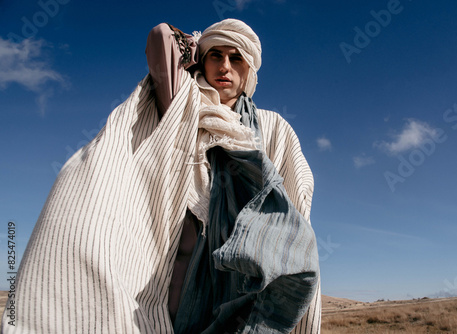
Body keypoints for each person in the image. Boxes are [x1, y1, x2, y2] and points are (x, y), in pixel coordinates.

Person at [2, 19, 321, 333]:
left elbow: (294, 193)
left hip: (244, 266)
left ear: (249, 70)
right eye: (215, 55)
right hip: (174, 262)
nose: (225, 66)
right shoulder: (182, 103)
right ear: (201, 60)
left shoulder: (272, 126)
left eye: (236, 58)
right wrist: (192, 47)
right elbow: (160, 38)